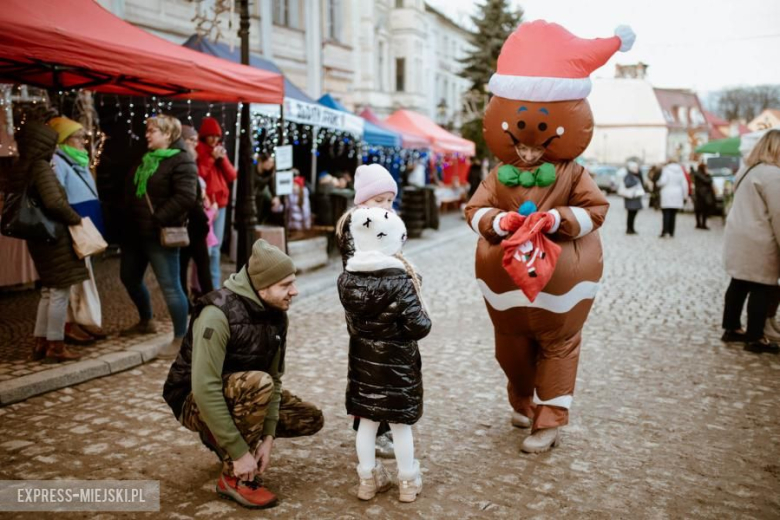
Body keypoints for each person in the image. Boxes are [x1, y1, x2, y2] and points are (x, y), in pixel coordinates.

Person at [163, 239, 324, 509]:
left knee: (309, 418)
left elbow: (275, 379)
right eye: (285, 285)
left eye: (292, 282)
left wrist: (268, 439)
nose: (294, 291)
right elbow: (204, 387)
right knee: (258, 384)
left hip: (247, 391)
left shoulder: (277, 314)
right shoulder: (217, 313)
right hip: (192, 399)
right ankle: (233, 478)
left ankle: (221, 436)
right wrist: (239, 453)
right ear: (262, 287)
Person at [337, 207, 431, 502]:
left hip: (364, 365)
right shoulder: (401, 280)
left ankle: (367, 480)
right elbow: (420, 326)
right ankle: (407, 482)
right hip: (397, 364)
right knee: (401, 425)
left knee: (367, 423)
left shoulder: (347, 278)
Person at [335, 163, 400, 457]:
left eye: (389, 200)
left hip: (387, 306)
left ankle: (382, 425)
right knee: (369, 371)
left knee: (386, 369)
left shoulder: (387, 223)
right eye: (378, 201)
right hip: (366, 309)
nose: (385, 206)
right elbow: (359, 269)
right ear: (363, 201)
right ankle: (369, 429)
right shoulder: (355, 225)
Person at [120, 115, 197, 358]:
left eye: (152, 131)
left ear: (168, 134)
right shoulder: (146, 160)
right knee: (129, 277)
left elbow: (185, 197)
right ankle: (146, 320)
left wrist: (157, 219)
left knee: (171, 286)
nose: (147, 135)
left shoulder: (182, 161)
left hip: (159, 234)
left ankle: (181, 338)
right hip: (135, 233)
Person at [15, 121, 86, 362]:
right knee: (58, 292)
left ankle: (41, 341)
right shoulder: (42, 167)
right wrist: (75, 219)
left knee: (48, 291)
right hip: (54, 236)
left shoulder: (23, 166)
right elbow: (54, 202)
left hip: (40, 237)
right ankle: (55, 345)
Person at [48, 116, 107, 343]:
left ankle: (80, 321)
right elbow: (58, 197)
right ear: (64, 139)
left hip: (85, 226)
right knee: (74, 281)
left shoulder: (77, 160)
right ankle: (70, 324)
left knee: (84, 276)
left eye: (84, 136)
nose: (83, 141)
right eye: (78, 137)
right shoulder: (57, 161)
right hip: (74, 227)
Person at [721, 129, 780, 353]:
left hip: (739, 234)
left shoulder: (747, 170)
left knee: (739, 282)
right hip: (760, 238)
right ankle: (755, 336)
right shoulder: (773, 175)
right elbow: (778, 213)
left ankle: (732, 327)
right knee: (762, 286)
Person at [197, 117, 237, 289]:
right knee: (207, 248)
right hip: (206, 205)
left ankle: (214, 286)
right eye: (210, 136)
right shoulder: (199, 151)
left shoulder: (220, 151)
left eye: (217, 136)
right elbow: (199, 176)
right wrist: (211, 158)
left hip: (220, 204)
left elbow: (232, 175)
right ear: (204, 136)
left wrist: (222, 159)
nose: (214, 140)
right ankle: (203, 287)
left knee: (216, 248)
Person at [179, 125, 214, 305]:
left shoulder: (191, 159)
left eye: (195, 140)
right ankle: (187, 302)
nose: (194, 143)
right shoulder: (183, 160)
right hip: (188, 221)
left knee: (202, 265)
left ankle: (208, 301)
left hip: (196, 222)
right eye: (190, 140)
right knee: (183, 265)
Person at [657, 162, 688, 238]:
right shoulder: (680, 171)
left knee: (666, 213)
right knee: (673, 214)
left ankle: (665, 231)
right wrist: (685, 195)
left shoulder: (666, 170)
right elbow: (684, 184)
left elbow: (663, 181)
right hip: (677, 194)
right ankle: (671, 231)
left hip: (667, 193)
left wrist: (658, 183)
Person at [618, 161, 645, 235]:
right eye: (635, 168)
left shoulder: (636, 175)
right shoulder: (629, 176)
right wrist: (636, 183)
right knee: (631, 214)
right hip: (631, 198)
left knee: (633, 214)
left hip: (635, 198)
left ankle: (631, 228)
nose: (637, 169)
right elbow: (627, 184)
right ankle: (629, 229)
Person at [693, 163, 715, 230]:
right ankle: (699, 223)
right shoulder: (699, 174)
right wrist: (708, 175)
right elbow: (707, 181)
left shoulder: (701, 174)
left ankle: (702, 224)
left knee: (703, 210)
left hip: (702, 194)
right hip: (701, 195)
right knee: (699, 210)